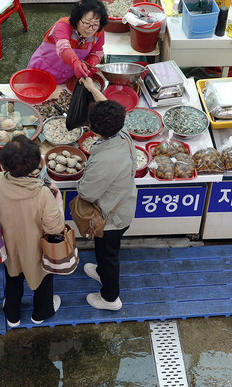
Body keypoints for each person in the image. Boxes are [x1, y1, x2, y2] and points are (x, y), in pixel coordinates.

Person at [0, 135, 65, 327]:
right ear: (36, 166)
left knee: (12, 276)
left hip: (9, 245)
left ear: (4, 165)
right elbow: (55, 228)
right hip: (36, 249)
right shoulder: (43, 193)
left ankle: (12, 315)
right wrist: (58, 199)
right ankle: (41, 313)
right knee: (42, 279)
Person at [78, 78, 137, 311]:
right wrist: (93, 89)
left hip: (112, 217)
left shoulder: (104, 159)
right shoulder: (121, 132)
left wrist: (81, 179)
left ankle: (111, 298)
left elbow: (86, 192)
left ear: (94, 130)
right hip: (124, 204)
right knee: (103, 250)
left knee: (109, 254)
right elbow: (107, 106)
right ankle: (101, 271)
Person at [27, 0, 108, 84]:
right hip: (42, 71)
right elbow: (63, 48)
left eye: (95, 25)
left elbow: (97, 52)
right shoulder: (63, 25)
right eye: (87, 23)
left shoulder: (98, 30)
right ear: (77, 19)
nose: (90, 29)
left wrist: (91, 63)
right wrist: (75, 63)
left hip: (66, 75)